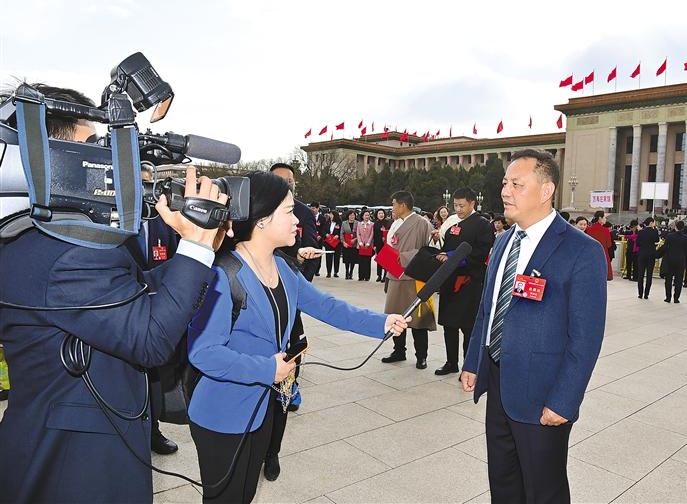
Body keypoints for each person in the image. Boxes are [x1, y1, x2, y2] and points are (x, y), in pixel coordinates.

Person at [0, 84, 231, 503]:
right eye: (93, 146)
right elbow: (150, 339)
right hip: (72, 468)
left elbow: (131, 293)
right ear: (49, 157)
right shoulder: (63, 252)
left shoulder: (48, 238)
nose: (107, 159)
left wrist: (198, 250)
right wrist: (196, 248)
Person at [187, 172, 410, 503]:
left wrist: (382, 322)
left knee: (245, 494)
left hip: (262, 409)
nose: (298, 221)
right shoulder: (222, 275)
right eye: (290, 212)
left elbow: (328, 307)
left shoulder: (283, 268)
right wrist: (267, 369)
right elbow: (203, 353)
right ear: (262, 219)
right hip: (222, 414)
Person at [461, 149, 606, 502]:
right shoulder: (502, 242)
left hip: (543, 394)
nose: (505, 191)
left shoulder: (581, 250)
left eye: (516, 184)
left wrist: (564, 400)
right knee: (504, 482)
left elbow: (586, 338)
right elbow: (487, 309)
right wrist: (473, 362)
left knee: (544, 490)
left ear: (546, 190)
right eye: (504, 183)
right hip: (499, 383)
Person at [263, 162, 320, 479]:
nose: (288, 185)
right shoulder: (252, 210)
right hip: (257, 309)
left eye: (291, 181)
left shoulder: (303, 213)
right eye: (281, 180)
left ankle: (273, 451)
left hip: (289, 302)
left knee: (284, 384)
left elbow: (309, 251)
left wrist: (298, 278)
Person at [132, 167, 182, 456]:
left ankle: (152, 430)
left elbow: (174, 263)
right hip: (122, 307)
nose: (146, 191)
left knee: (153, 374)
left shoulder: (163, 223)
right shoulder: (113, 220)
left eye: (149, 184)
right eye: (140, 184)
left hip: (156, 308)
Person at [435, 187, 495, 376]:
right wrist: (442, 254)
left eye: (462, 205)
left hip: (469, 282)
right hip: (449, 281)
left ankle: (468, 368)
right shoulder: (453, 223)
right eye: (455, 205)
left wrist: (454, 257)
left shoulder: (482, 225)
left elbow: (481, 252)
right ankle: (451, 362)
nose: (458, 209)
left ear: (472, 203)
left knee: (468, 327)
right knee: (449, 325)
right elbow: (446, 246)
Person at [381, 191, 436, 369]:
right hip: (395, 275)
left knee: (418, 320)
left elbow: (428, 250)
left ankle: (421, 356)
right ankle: (399, 351)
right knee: (396, 316)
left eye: (394, 204)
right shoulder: (395, 223)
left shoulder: (422, 223)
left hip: (414, 277)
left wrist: (403, 257)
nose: (392, 208)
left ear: (403, 205)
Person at [656, 220, 687, 303]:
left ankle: (668, 297)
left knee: (668, 279)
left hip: (670, 260)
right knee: (679, 280)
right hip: (680, 261)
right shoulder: (686, 238)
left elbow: (665, 247)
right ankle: (676, 298)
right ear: (683, 228)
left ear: (675, 227)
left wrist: (657, 254)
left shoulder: (670, 236)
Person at [585, 211, 613, 281]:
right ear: (600, 218)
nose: (605, 219)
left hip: (590, 255)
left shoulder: (588, 229)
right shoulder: (605, 230)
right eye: (605, 217)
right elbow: (609, 244)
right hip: (602, 255)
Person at [636, 217, 660, 299]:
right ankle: (646, 294)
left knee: (640, 274)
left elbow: (638, 243)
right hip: (651, 255)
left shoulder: (641, 232)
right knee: (649, 275)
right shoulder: (654, 231)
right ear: (651, 223)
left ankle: (640, 293)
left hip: (642, 254)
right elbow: (657, 240)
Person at [373, 209, 391, 282]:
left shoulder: (387, 222)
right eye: (379, 213)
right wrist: (374, 245)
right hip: (378, 243)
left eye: (382, 213)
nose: (381, 215)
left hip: (386, 243)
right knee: (379, 260)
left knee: (385, 260)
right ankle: (379, 275)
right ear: (377, 215)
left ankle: (385, 275)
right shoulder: (375, 223)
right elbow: (374, 235)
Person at [322, 211, 342, 277]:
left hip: (337, 243)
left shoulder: (339, 223)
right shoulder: (327, 222)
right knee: (328, 257)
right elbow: (323, 230)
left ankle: (336, 272)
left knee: (337, 258)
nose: (330, 216)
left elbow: (342, 231)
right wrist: (326, 234)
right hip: (328, 242)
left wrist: (338, 235)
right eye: (330, 214)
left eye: (331, 214)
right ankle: (328, 272)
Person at [356, 210, 374, 281]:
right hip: (361, 245)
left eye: (368, 215)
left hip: (368, 245)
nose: (367, 216)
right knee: (361, 261)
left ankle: (367, 276)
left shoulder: (372, 224)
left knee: (367, 261)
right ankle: (361, 276)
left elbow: (372, 234)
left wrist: (368, 243)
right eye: (365, 215)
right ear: (362, 216)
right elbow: (358, 234)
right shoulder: (359, 224)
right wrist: (360, 242)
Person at [341, 210, 359, 280]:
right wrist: (343, 242)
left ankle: (351, 273)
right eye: (350, 215)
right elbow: (341, 233)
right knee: (347, 259)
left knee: (353, 259)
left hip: (354, 244)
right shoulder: (344, 223)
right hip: (346, 244)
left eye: (353, 215)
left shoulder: (358, 223)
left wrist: (356, 239)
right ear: (348, 216)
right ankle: (346, 272)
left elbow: (359, 233)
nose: (352, 216)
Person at [310, 202, 326, 277]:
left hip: (319, 239)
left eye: (314, 208)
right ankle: (310, 269)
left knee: (318, 254)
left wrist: (320, 235)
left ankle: (317, 270)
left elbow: (324, 228)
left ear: (317, 208)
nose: (312, 210)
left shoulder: (322, 218)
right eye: (311, 208)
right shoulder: (309, 216)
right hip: (311, 238)